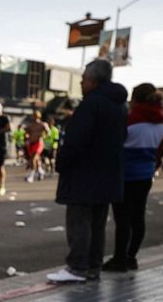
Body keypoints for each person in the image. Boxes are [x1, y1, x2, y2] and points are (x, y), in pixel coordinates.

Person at [47, 59, 127, 284]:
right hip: (107, 173)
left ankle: (77, 267)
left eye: (83, 79)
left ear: (92, 80)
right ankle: (93, 266)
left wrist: (62, 162)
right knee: (97, 224)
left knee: (79, 221)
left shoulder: (91, 104)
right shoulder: (118, 105)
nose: (81, 83)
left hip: (85, 174)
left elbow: (76, 141)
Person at [102, 84, 163, 273]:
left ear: (135, 99)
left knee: (122, 219)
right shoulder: (162, 123)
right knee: (138, 216)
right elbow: (160, 151)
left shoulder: (129, 120)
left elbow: (114, 146)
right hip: (145, 174)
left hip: (125, 174)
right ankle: (131, 256)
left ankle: (119, 258)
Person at [23, 110, 47, 182]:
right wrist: (26, 137)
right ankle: (40, 171)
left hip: (39, 143)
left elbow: (48, 132)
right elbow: (26, 133)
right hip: (31, 143)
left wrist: (43, 136)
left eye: (37, 116)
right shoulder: (30, 125)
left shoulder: (43, 124)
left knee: (34, 158)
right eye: (34, 116)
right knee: (36, 159)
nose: (35, 118)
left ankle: (31, 176)